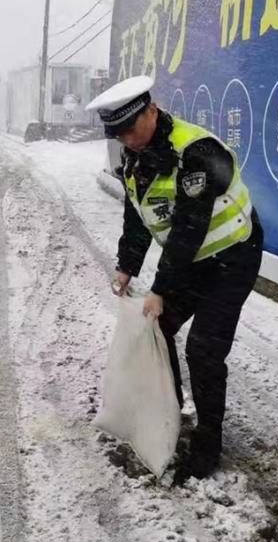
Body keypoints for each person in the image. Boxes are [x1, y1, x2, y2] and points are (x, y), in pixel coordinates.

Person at [87, 75, 264, 481]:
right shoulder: (133, 157)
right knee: (158, 328)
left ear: (152, 109)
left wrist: (161, 289)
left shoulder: (195, 152)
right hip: (195, 261)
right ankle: (171, 411)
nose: (127, 139)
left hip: (233, 256)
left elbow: (190, 225)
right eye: (118, 134)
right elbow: (137, 211)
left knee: (203, 349)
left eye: (132, 128)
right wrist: (127, 264)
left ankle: (208, 444)